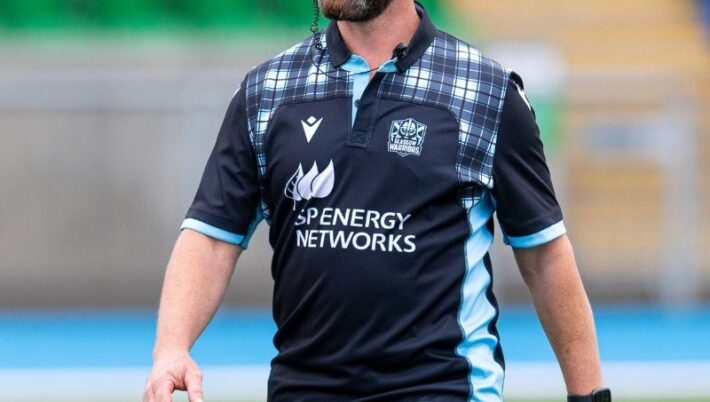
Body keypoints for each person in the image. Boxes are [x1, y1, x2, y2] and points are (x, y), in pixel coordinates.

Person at [143, 1, 610, 401]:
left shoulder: (487, 92)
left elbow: (544, 255)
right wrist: (171, 349)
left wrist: (588, 396)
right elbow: (211, 239)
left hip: (441, 389)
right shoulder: (267, 90)